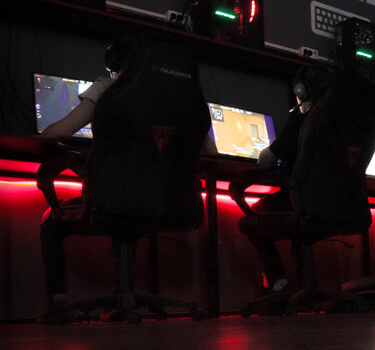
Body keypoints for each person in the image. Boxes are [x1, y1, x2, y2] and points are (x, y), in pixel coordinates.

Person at [37, 36, 216, 322]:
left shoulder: (108, 88)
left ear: (114, 65)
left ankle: (57, 305)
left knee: (52, 218)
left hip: (113, 202)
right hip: (173, 204)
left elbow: (56, 134)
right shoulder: (181, 99)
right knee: (130, 207)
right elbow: (211, 154)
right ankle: (123, 295)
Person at [235, 63, 333, 293]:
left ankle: (278, 282)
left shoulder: (303, 120)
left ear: (301, 91)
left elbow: (266, 160)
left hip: (304, 201)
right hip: (335, 204)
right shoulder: (339, 123)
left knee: (257, 213)